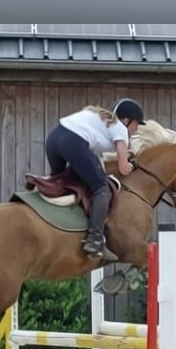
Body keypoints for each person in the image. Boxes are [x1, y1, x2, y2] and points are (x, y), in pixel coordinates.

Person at [44, 98, 146, 261]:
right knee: (101, 188)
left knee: (59, 184)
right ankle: (95, 240)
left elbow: (94, 160)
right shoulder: (119, 128)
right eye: (137, 124)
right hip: (73, 142)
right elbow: (123, 169)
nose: (136, 129)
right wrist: (133, 165)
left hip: (53, 139)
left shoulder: (100, 124)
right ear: (126, 120)